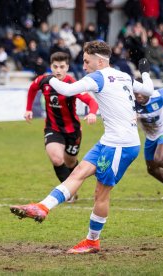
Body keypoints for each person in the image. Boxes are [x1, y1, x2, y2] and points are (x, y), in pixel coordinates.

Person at [10, 41, 154, 253]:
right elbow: (148, 89)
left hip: (121, 145)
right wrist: (146, 72)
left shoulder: (98, 77)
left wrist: (49, 78)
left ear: (99, 61)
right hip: (109, 140)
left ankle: (92, 241)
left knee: (101, 194)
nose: (84, 66)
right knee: (77, 172)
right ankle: (42, 207)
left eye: (86, 61)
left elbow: (67, 90)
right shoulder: (123, 75)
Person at [24, 52, 99, 203]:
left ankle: (73, 186)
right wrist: (28, 108)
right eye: (55, 66)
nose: (58, 70)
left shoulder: (73, 84)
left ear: (67, 68)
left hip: (72, 131)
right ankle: (68, 193)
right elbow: (32, 89)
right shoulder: (43, 80)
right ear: (51, 67)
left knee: (71, 162)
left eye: (62, 67)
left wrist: (92, 113)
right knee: (57, 159)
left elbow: (92, 102)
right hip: (53, 128)